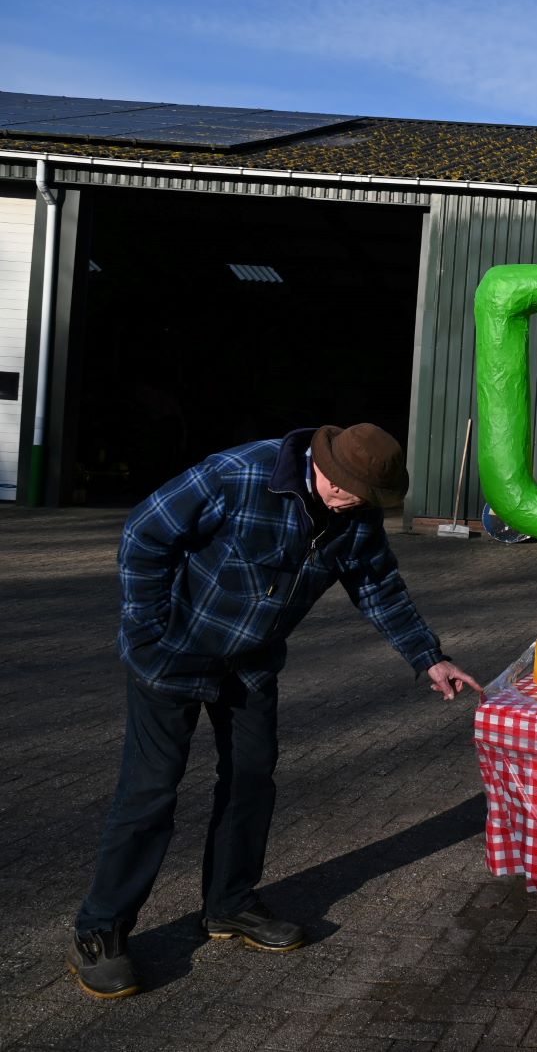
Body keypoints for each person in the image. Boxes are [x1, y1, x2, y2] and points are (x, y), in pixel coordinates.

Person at [68, 424, 483, 1000]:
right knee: (150, 792)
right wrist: (148, 627)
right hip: (173, 655)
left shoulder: (356, 513)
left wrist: (428, 657)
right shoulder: (237, 474)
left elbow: (377, 584)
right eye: (345, 489)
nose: (352, 502)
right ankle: (101, 929)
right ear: (323, 464)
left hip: (251, 664)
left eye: (365, 497)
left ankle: (229, 904)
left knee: (251, 781)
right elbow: (145, 532)